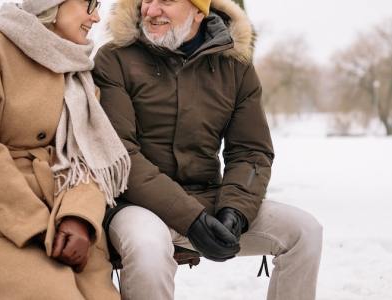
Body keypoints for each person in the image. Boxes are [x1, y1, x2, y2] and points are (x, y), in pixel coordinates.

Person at [92, 0, 323, 299]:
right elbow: (121, 155)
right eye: (145, 0)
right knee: (148, 249)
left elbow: (251, 151)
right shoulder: (114, 59)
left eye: (165, 1)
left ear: (199, 11)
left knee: (305, 232)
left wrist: (236, 211)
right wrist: (191, 217)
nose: (150, 11)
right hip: (135, 205)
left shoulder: (235, 67)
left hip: (208, 199)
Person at [0, 0, 129, 299]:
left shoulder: (78, 73)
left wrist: (78, 218)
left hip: (62, 223)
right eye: (88, 4)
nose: (96, 17)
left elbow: (88, 159)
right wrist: (35, 224)